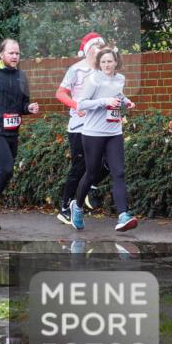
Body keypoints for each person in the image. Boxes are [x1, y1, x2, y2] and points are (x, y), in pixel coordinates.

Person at [70, 46, 138, 232]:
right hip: (93, 133)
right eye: (104, 62)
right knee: (92, 173)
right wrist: (104, 102)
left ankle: (123, 215)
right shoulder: (93, 80)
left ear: (116, 62)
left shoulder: (120, 79)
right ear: (99, 64)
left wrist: (126, 101)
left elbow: (118, 95)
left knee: (119, 172)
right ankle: (77, 206)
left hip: (114, 132)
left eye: (110, 61)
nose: (107, 65)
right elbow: (81, 103)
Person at [56, 32, 109, 224]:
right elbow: (60, 93)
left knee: (107, 162)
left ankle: (89, 188)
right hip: (79, 126)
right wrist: (75, 106)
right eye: (97, 46)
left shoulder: (105, 70)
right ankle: (64, 208)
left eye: (103, 46)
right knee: (79, 167)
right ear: (88, 50)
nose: (101, 50)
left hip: (99, 126)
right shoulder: (76, 70)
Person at [0, 39, 41, 230]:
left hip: (13, 131)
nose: (15, 57)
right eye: (11, 53)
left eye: (17, 53)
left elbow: (22, 104)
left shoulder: (21, 76)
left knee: (2, 173)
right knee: (6, 169)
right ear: (1, 54)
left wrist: (29, 107)